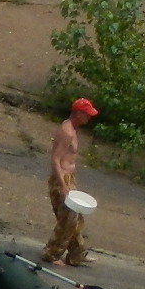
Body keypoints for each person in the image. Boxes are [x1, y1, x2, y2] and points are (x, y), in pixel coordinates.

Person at [43, 97, 98, 267]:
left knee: (76, 217)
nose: (89, 118)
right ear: (78, 114)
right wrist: (62, 184)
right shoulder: (67, 132)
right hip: (62, 178)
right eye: (86, 114)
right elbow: (55, 159)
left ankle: (77, 254)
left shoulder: (73, 129)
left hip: (68, 178)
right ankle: (51, 253)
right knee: (68, 219)